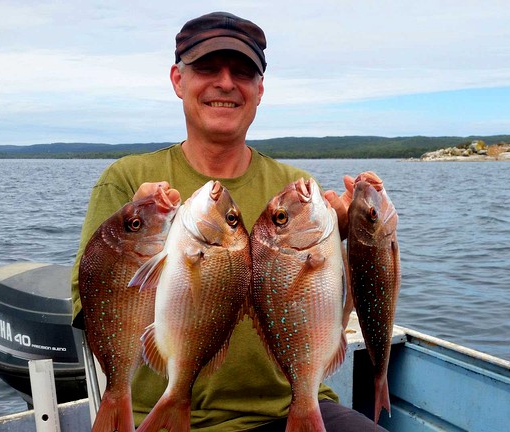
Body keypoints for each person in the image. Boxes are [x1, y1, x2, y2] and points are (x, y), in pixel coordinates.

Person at [70, 11, 387, 432]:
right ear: (177, 80)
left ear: (259, 90)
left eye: (242, 72)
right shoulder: (127, 180)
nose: (225, 83)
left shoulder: (294, 188)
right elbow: (91, 307)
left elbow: (328, 305)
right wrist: (135, 234)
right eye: (207, 68)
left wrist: (350, 236)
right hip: (170, 414)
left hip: (290, 405)